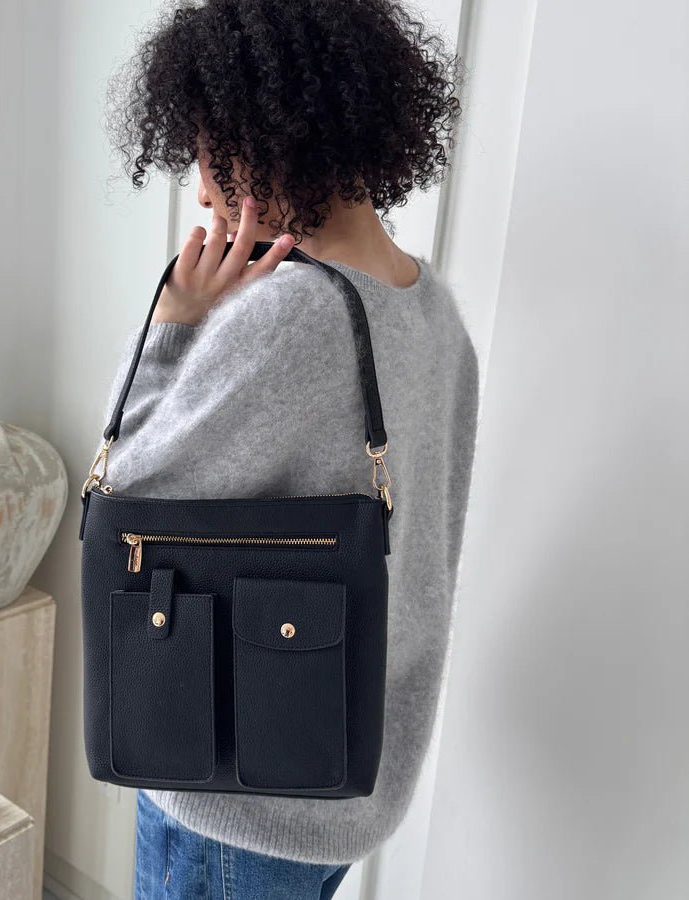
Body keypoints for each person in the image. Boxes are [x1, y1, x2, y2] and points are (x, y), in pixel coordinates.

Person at [98, 1, 480, 897]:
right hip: (349, 769)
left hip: (236, 793)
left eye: (204, 150)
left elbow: (118, 490)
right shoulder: (434, 312)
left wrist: (173, 326)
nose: (199, 190)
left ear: (259, 132)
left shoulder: (289, 318)